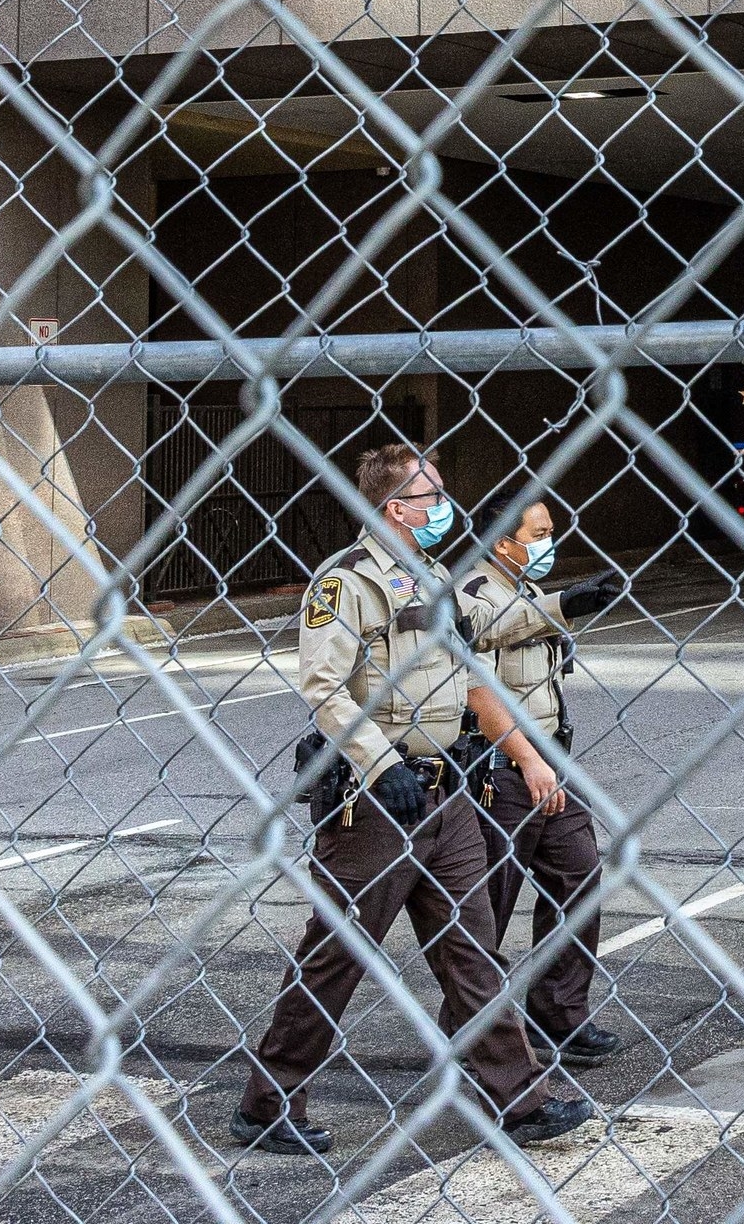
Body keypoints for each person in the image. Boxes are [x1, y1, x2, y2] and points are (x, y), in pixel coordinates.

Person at [231, 443, 597, 1154]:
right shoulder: (346, 584)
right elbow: (325, 689)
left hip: (447, 793)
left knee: (470, 948)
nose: (445, 508)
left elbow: (483, 629)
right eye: (433, 497)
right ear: (398, 508)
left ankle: (520, 1101)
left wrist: (558, 605)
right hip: (378, 802)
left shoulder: (432, 574)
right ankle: (268, 1105)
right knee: (338, 953)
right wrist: (375, 763)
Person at [458, 501, 625, 1066]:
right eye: (541, 533)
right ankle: (470, 1031)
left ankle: (558, 1015)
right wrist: (566, 603)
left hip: (549, 760)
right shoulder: (472, 590)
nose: (550, 541)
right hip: (501, 767)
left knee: (578, 877)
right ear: (505, 542)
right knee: (489, 904)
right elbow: (480, 670)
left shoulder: (525, 589)